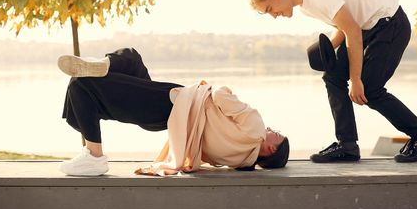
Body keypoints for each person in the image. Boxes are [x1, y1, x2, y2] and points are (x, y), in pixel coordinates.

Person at [249, 0, 417, 163]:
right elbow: (345, 26)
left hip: (390, 23)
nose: (273, 15)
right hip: (367, 28)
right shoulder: (306, 5)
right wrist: (329, 48)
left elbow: (352, 31)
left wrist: (356, 80)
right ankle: (347, 146)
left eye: (270, 8)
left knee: (369, 90)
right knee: (332, 77)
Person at [58, 48, 289, 176]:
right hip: (164, 121)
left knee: (82, 83)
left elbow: (219, 95)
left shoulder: (256, 129)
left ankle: (95, 156)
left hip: (173, 103)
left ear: (270, 149)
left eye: (275, 133)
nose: (269, 129)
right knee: (131, 60)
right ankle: (103, 64)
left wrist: (216, 88)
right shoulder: (240, 161)